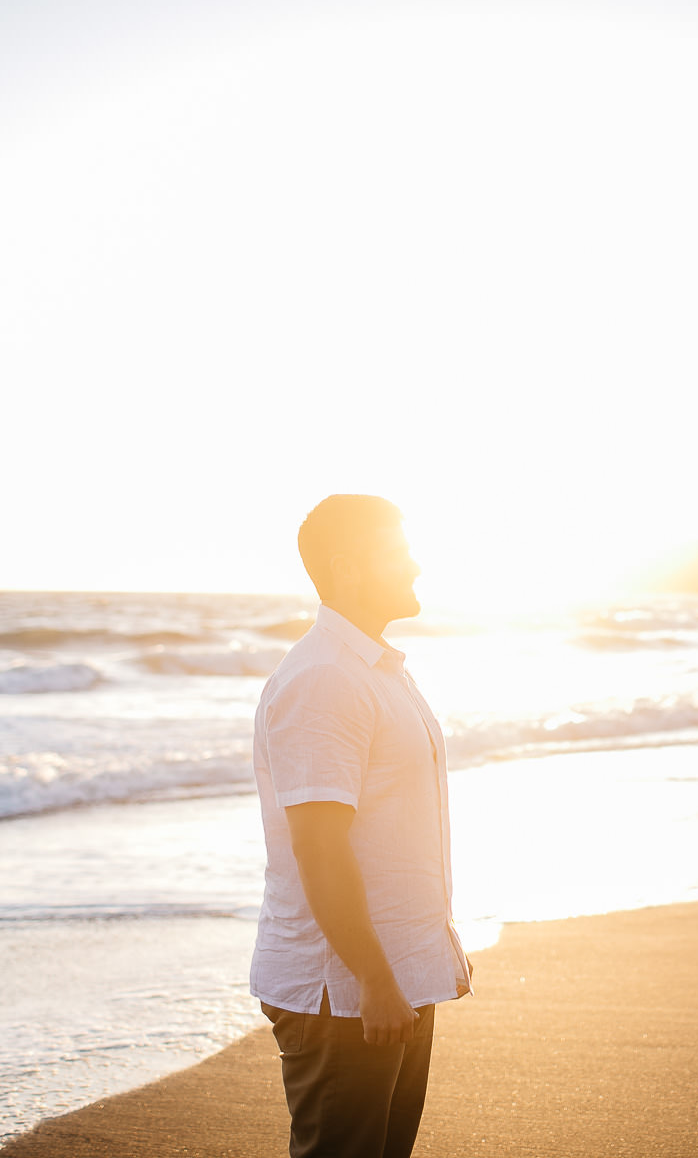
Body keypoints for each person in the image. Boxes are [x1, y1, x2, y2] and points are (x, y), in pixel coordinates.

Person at [250, 494, 472, 1158]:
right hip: (344, 993)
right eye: (397, 552)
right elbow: (319, 848)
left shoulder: (375, 669)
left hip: (392, 976)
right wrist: (373, 980)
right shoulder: (324, 679)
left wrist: (433, 946)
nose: (415, 565)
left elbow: (395, 828)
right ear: (349, 569)